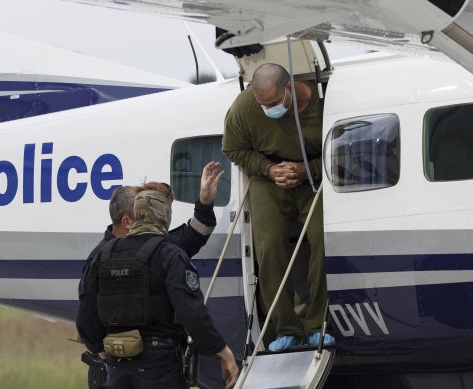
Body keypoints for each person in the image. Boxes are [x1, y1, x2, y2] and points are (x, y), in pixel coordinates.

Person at [76, 182, 239, 389]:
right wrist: (222, 351)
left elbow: (85, 319)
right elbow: (193, 313)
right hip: (160, 367)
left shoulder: (102, 256)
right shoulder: (169, 255)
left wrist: (104, 353)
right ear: (164, 217)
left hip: (117, 369)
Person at [222, 63, 333, 352]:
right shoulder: (244, 107)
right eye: (261, 104)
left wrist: (306, 168)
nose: (266, 109)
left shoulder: (325, 102)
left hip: (315, 174)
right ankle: (285, 327)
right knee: (268, 246)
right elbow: (234, 149)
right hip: (268, 177)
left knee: (323, 239)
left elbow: (342, 150)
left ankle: (317, 324)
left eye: (272, 103)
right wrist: (269, 169)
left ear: (289, 88)